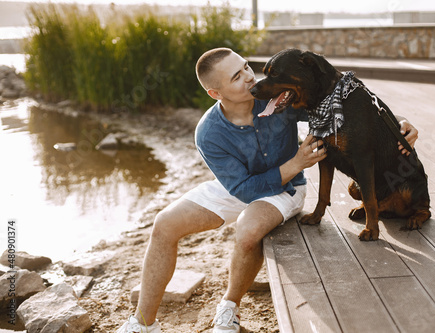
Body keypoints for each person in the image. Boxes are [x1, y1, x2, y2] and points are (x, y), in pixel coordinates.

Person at [117, 48, 418, 333]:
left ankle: (229, 306)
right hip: (241, 185)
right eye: (236, 76)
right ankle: (143, 323)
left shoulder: (281, 101)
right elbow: (242, 189)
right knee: (164, 224)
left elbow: (348, 107)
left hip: (285, 189)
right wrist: (298, 161)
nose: (249, 76)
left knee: (248, 229)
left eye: (245, 66)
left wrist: (398, 122)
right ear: (215, 93)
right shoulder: (209, 133)